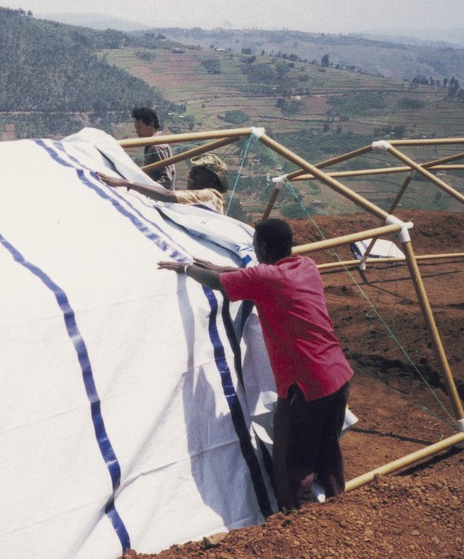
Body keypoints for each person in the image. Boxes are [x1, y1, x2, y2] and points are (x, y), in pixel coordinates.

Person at [157, 218, 352, 512]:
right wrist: (215, 266)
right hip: (338, 374)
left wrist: (187, 269)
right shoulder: (306, 266)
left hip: (306, 382)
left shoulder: (265, 279)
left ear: (261, 246)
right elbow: (249, 275)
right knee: (326, 447)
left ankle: (299, 519)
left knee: (291, 456)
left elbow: (220, 284)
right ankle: (340, 507)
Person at [97, 153, 232, 215]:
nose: (191, 175)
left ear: (213, 179)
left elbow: (168, 195)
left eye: (198, 172)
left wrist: (127, 183)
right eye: (192, 170)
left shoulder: (209, 195)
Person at [131, 106, 175, 189]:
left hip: (159, 200)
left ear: (151, 124)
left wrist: (142, 188)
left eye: (139, 127)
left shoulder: (157, 147)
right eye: (136, 128)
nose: (137, 131)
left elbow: (167, 181)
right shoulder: (151, 144)